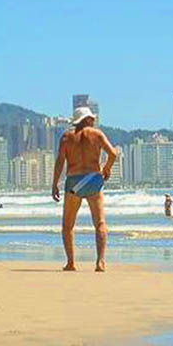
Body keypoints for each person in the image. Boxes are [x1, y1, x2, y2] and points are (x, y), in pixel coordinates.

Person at [51, 107, 119, 272]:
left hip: (74, 182)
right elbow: (113, 154)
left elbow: (60, 161)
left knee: (68, 225)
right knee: (100, 223)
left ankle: (71, 262)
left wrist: (55, 183)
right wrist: (106, 169)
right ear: (85, 119)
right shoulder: (97, 134)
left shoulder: (67, 137)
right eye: (91, 118)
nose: (94, 120)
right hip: (93, 180)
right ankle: (100, 262)